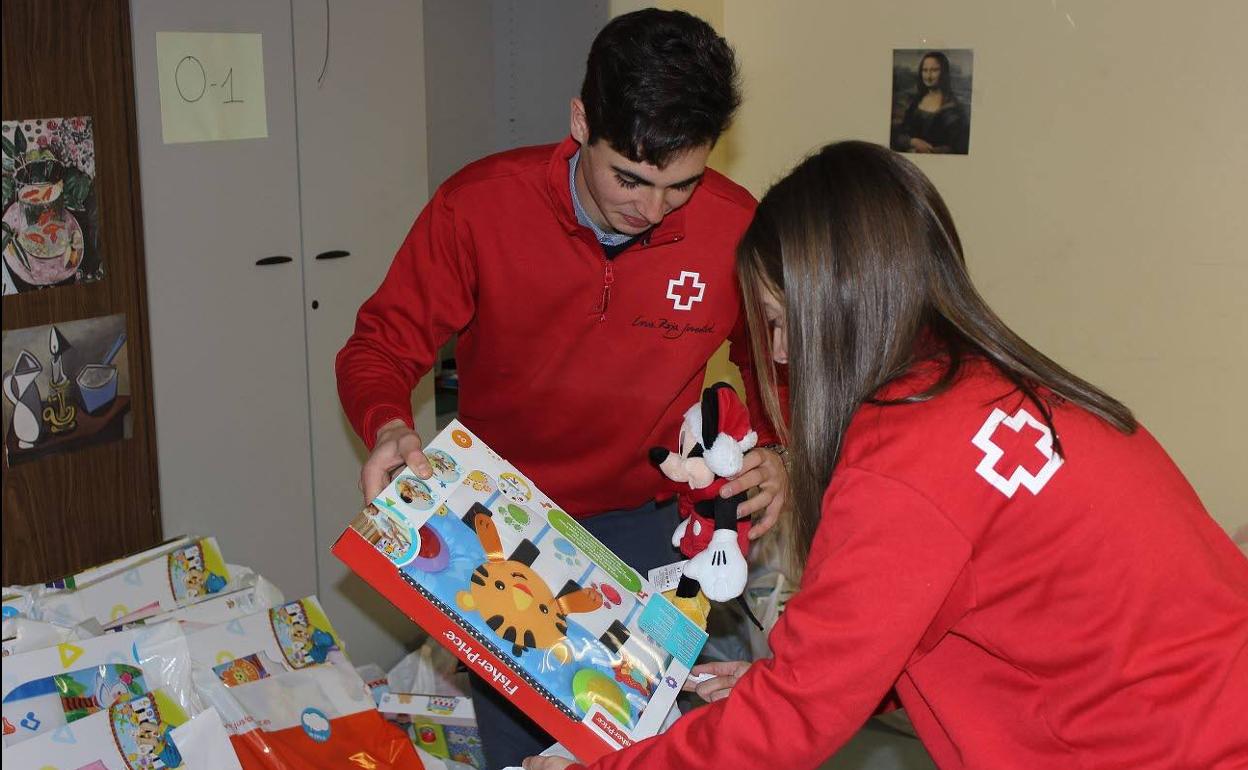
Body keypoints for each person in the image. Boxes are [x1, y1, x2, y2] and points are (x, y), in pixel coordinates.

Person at [523, 142, 1248, 770]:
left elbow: (789, 732)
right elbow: (978, 613)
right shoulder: (991, 388)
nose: (776, 354)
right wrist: (808, 682)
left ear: (845, 308)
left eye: (781, 322)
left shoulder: (904, 459)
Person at [335, 10, 787, 768]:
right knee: (528, 752)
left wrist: (774, 446)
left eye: (681, 185)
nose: (650, 209)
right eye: (631, 178)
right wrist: (386, 423)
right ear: (581, 122)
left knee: (660, 747)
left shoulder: (733, 227)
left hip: (656, 536)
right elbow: (381, 341)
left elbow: (770, 361)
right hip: (506, 535)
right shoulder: (479, 208)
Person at [891, 51, 970, 154]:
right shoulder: (916, 101)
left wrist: (930, 151)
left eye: (934, 70)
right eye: (925, 70)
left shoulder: (953, 109)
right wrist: (912, 142)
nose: (928, 76)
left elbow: (958, 147)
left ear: (944, 73)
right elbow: (900, 133)